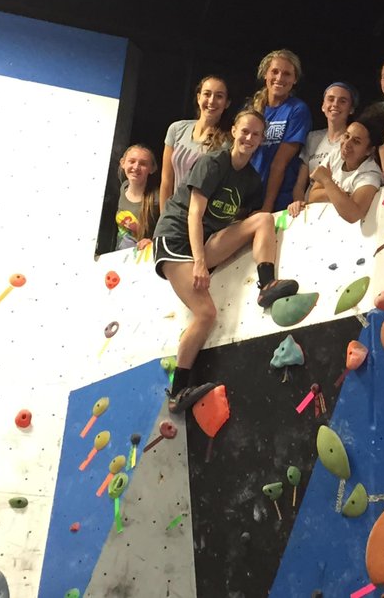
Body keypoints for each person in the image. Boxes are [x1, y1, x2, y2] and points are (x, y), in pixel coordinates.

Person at [152, 109, 299, 413]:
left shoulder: (251, 180)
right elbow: (194, 214)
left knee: (262, 220)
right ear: (233, 131)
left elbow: (243, 224)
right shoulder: (212, 163)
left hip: (205, 243)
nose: (249, 138)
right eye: (244, 131)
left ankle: (266, 283)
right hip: (177, 240)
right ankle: (178, 392)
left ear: (261, 140)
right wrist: (199, 263)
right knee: (206, 313)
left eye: (256, 134)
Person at [290, 109, 384, 224]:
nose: (347, 144)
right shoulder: (336, 154)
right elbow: (313, 196)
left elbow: (353, 215)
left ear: (369, 150)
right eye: (347, 136)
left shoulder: (370, 175)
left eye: (356, 141)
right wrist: (341, 195)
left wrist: (327, 181)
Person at [249, 49, 312, 213]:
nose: (279, 78)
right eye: (274, 71)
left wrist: (267, 206)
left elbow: (280, 163)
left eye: (286, 74)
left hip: (278, 200)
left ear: (295, 79)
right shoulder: (252, 109)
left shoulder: (298, 110)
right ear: (265, 75)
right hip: (247, 196)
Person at [159, 75, 231, 212]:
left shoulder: (226, 144)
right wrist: (164, 220)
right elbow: (166, 181)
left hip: (201, 219)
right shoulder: (176, 129)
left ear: (227, 103)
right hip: (173, 217)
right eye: (207, 94)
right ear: (198, 98)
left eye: (219, 96)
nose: (211, 101)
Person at [292, 82, 359, 205]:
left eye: (342, 101)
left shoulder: (355, 141)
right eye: (331, 99)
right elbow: (300, 184)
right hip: (310, 208)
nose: (335, 104)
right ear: (323, 106)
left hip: (338, 206)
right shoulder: (312, 138)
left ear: (351, 109)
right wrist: (298, 203)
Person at [116, 144, 160, 250]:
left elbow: (169, 231)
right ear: (123, 163)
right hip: (119, 256)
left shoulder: (157, 199)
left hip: (141, 259)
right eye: (132, 161)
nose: (136, 167)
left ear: (152, 168)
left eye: (143, 164)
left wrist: (153, 242)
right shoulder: (124, 187)